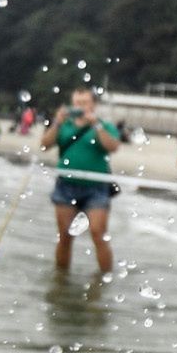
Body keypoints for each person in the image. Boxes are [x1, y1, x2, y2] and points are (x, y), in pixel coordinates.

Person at [38, 85, 120, 274]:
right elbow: (45, 145)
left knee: (99, 234)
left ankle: (104, 277)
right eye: (77, 103)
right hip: (66, 185)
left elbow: (112, 146)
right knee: (65, 236)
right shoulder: (65, 125)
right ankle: (61, 278)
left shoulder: (104, 126)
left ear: (94, 105)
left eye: (84, 103)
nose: (80, 107)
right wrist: (57, 122)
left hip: (96, 187)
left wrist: (96, 125)